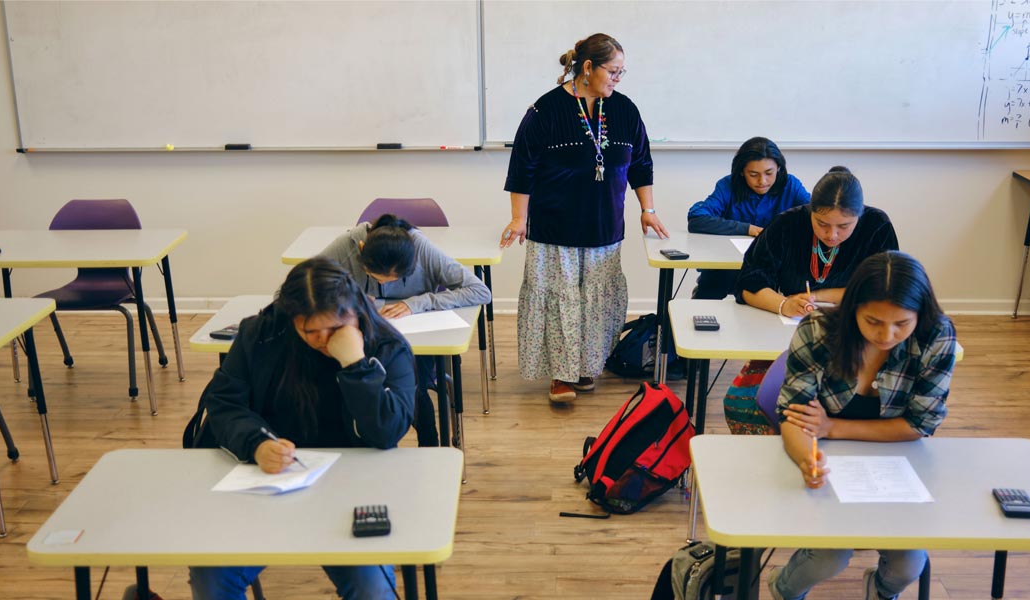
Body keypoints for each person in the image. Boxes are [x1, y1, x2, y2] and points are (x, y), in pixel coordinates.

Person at [184, 257, 414, 600]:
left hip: (351, 491)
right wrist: (257, 444)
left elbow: (387, 431)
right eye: (311, 331)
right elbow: (224, 403)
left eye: (336, 329)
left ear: (354, 312)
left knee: (373, 589)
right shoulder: (259, 335)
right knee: (212, 579)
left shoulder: (385, 346)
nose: (324, 341)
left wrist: (356, 365)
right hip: (265, 482)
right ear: (293, 320)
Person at [766, 251, 957, 600]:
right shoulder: (819, 330)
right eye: (873, 321)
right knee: (827, 558)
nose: (887, 335)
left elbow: (920, 424)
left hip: (897, 465)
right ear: (853, 308)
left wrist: (833, 428)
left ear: (920, 314)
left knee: (908, 565)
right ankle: (782, 590)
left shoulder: (937, 335)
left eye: (902, 324)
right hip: (828, 459)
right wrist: (806, 459)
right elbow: (793, 416)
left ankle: (882, 590)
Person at [499, 33, 668, 404]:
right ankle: (561, 375)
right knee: (561, 300)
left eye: (623, 73)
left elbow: (641, 163)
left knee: (595, 302)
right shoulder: (545, 111)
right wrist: (518, 219)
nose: (618, 79)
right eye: (613, 71)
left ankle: (586, 366)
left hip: (604, 227)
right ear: (587, 68)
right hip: (554, 227)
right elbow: (522, 169)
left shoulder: (625, 110)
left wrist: (648, 209)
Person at [723, 166, 898, 434]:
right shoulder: (788, 224)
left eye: (844, 226)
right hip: (786, 336)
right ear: (811, 211)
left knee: (829, 401)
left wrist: (817, 296)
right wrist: (783, 304)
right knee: (744, 402)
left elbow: (884, 291)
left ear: (859, 217)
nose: (832, 235)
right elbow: (748, 282)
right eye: (822, 224)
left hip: (855, 340)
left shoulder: (876, 227)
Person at [319, 213, 492, 446]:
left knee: (413, 387)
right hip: (362, 335)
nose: (385, 285)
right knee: (350, 383)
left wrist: (418, 302)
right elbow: (303, 288)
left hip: (415, 339)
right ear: (362, 249)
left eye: (394, 279)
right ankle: (362, 446)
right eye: (375, 277)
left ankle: (430, 445)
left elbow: (480, 291)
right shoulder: (348, 245)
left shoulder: (420, 247)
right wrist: (351, 303)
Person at [686, 136, 810, 299]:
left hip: (772, 268)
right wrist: (748, 229)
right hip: (726, 267)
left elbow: (815, 215)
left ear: (779, 168)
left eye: (769, 173)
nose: (762, 181)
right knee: (710, 292)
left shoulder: (790, 185)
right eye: (753, 174)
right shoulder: (728, 185)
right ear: (742, 172)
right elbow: (697, 219)